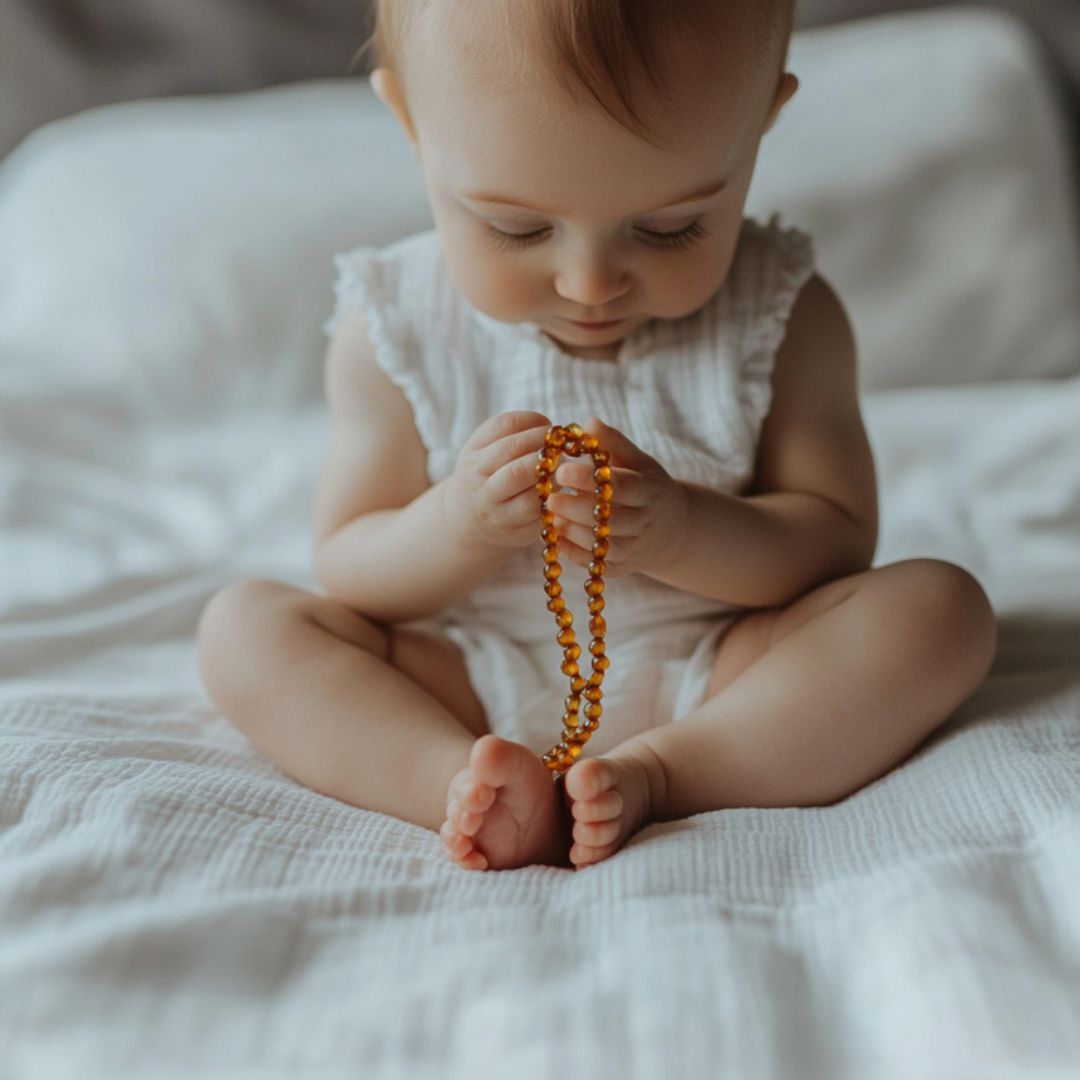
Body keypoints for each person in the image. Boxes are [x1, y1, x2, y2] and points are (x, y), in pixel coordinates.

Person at [196, 0, 997, 873]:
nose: (589, 283)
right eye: (517, 227)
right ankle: (456, 783)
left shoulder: (785, 313)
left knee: (939, 610)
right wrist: (457, 526)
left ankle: (668, 773)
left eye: (668, 227)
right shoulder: (395, 326)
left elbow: (836, 545)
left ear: (762, 119)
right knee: (244, 627)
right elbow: (351, 567)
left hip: (729, 669)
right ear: (410, 124)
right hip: (465, 673)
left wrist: (684, 531)